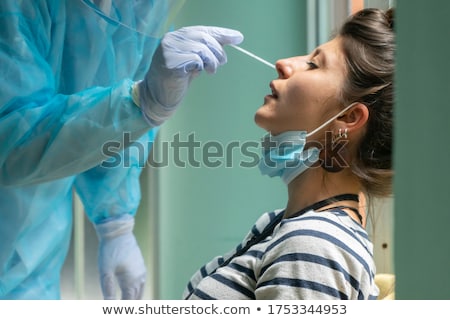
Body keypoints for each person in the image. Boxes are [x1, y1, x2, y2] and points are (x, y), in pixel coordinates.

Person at [0, 0, 243, 299]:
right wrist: (139, 102)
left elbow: (105, 109)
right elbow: (11, 139)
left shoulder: (142, 7)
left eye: (313, 63)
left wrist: (115, 222)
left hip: (36, 252)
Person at [183, 7, 394, 300]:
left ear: (348, 119)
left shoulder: (313, 245)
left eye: (313, 65)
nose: (283, 63)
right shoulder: (281, 225)